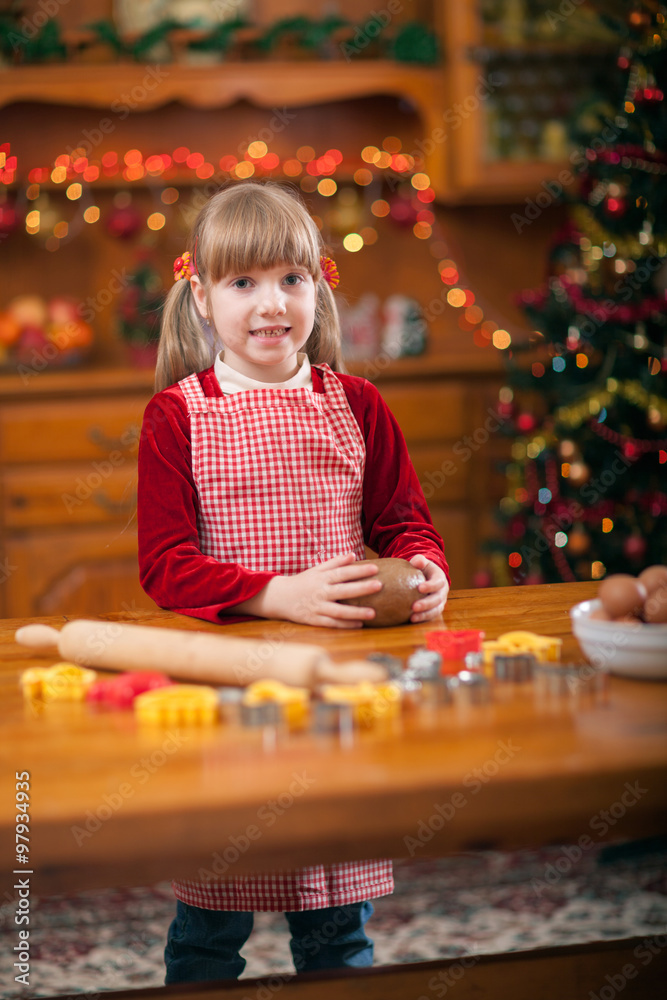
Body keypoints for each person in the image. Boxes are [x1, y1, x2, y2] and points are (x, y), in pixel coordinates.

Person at [137, 180, 450, 984]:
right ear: (201, 297)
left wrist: (424, 570)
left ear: (318, 286)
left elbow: (404, 524)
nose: (269, 304)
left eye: (290, 279)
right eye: (242, 283)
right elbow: (165, 564)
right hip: (232, 698)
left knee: (336, 928)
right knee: (209, 927)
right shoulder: (177, 416)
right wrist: (279, 595)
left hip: (338, 691)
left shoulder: (358, 405)